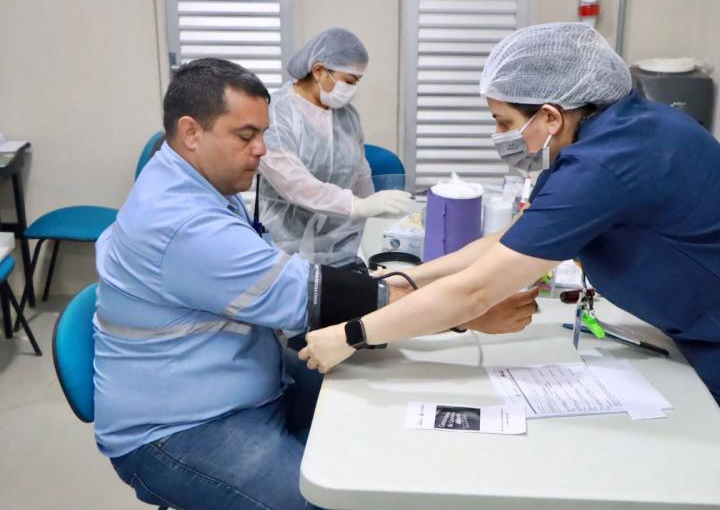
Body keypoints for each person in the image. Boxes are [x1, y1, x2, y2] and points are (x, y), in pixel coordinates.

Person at [299, 22, 720, 488]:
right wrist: (409, 279)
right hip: (719, 320)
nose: (498, 135)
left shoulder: (603, 166)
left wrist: (353, 334)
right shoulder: (622, 127)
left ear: (552, 115)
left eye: (502, 121)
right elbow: (510, 238)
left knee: (716, 485)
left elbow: (476, 290)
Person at [93, 58, 537, 510]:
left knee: (386, 410)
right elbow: (321, 300)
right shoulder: (183, 224)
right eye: (246, 136)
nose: (262, 150)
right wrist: (469, 313)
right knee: (328, 501)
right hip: (179, 428)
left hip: (248, 379)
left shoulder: (185, 181)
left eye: (263, 134)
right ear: (191, 133)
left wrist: (438, 295)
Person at [258, 28, 414, 267]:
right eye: (349, 81)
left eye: (357, 82)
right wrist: (357, 206)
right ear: (319, 70)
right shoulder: (277, 114)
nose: (353, 89)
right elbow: (293, 183)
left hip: (343, 248)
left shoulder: (348, 116)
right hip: (285, 248)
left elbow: (360, 173)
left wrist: (375, 208)